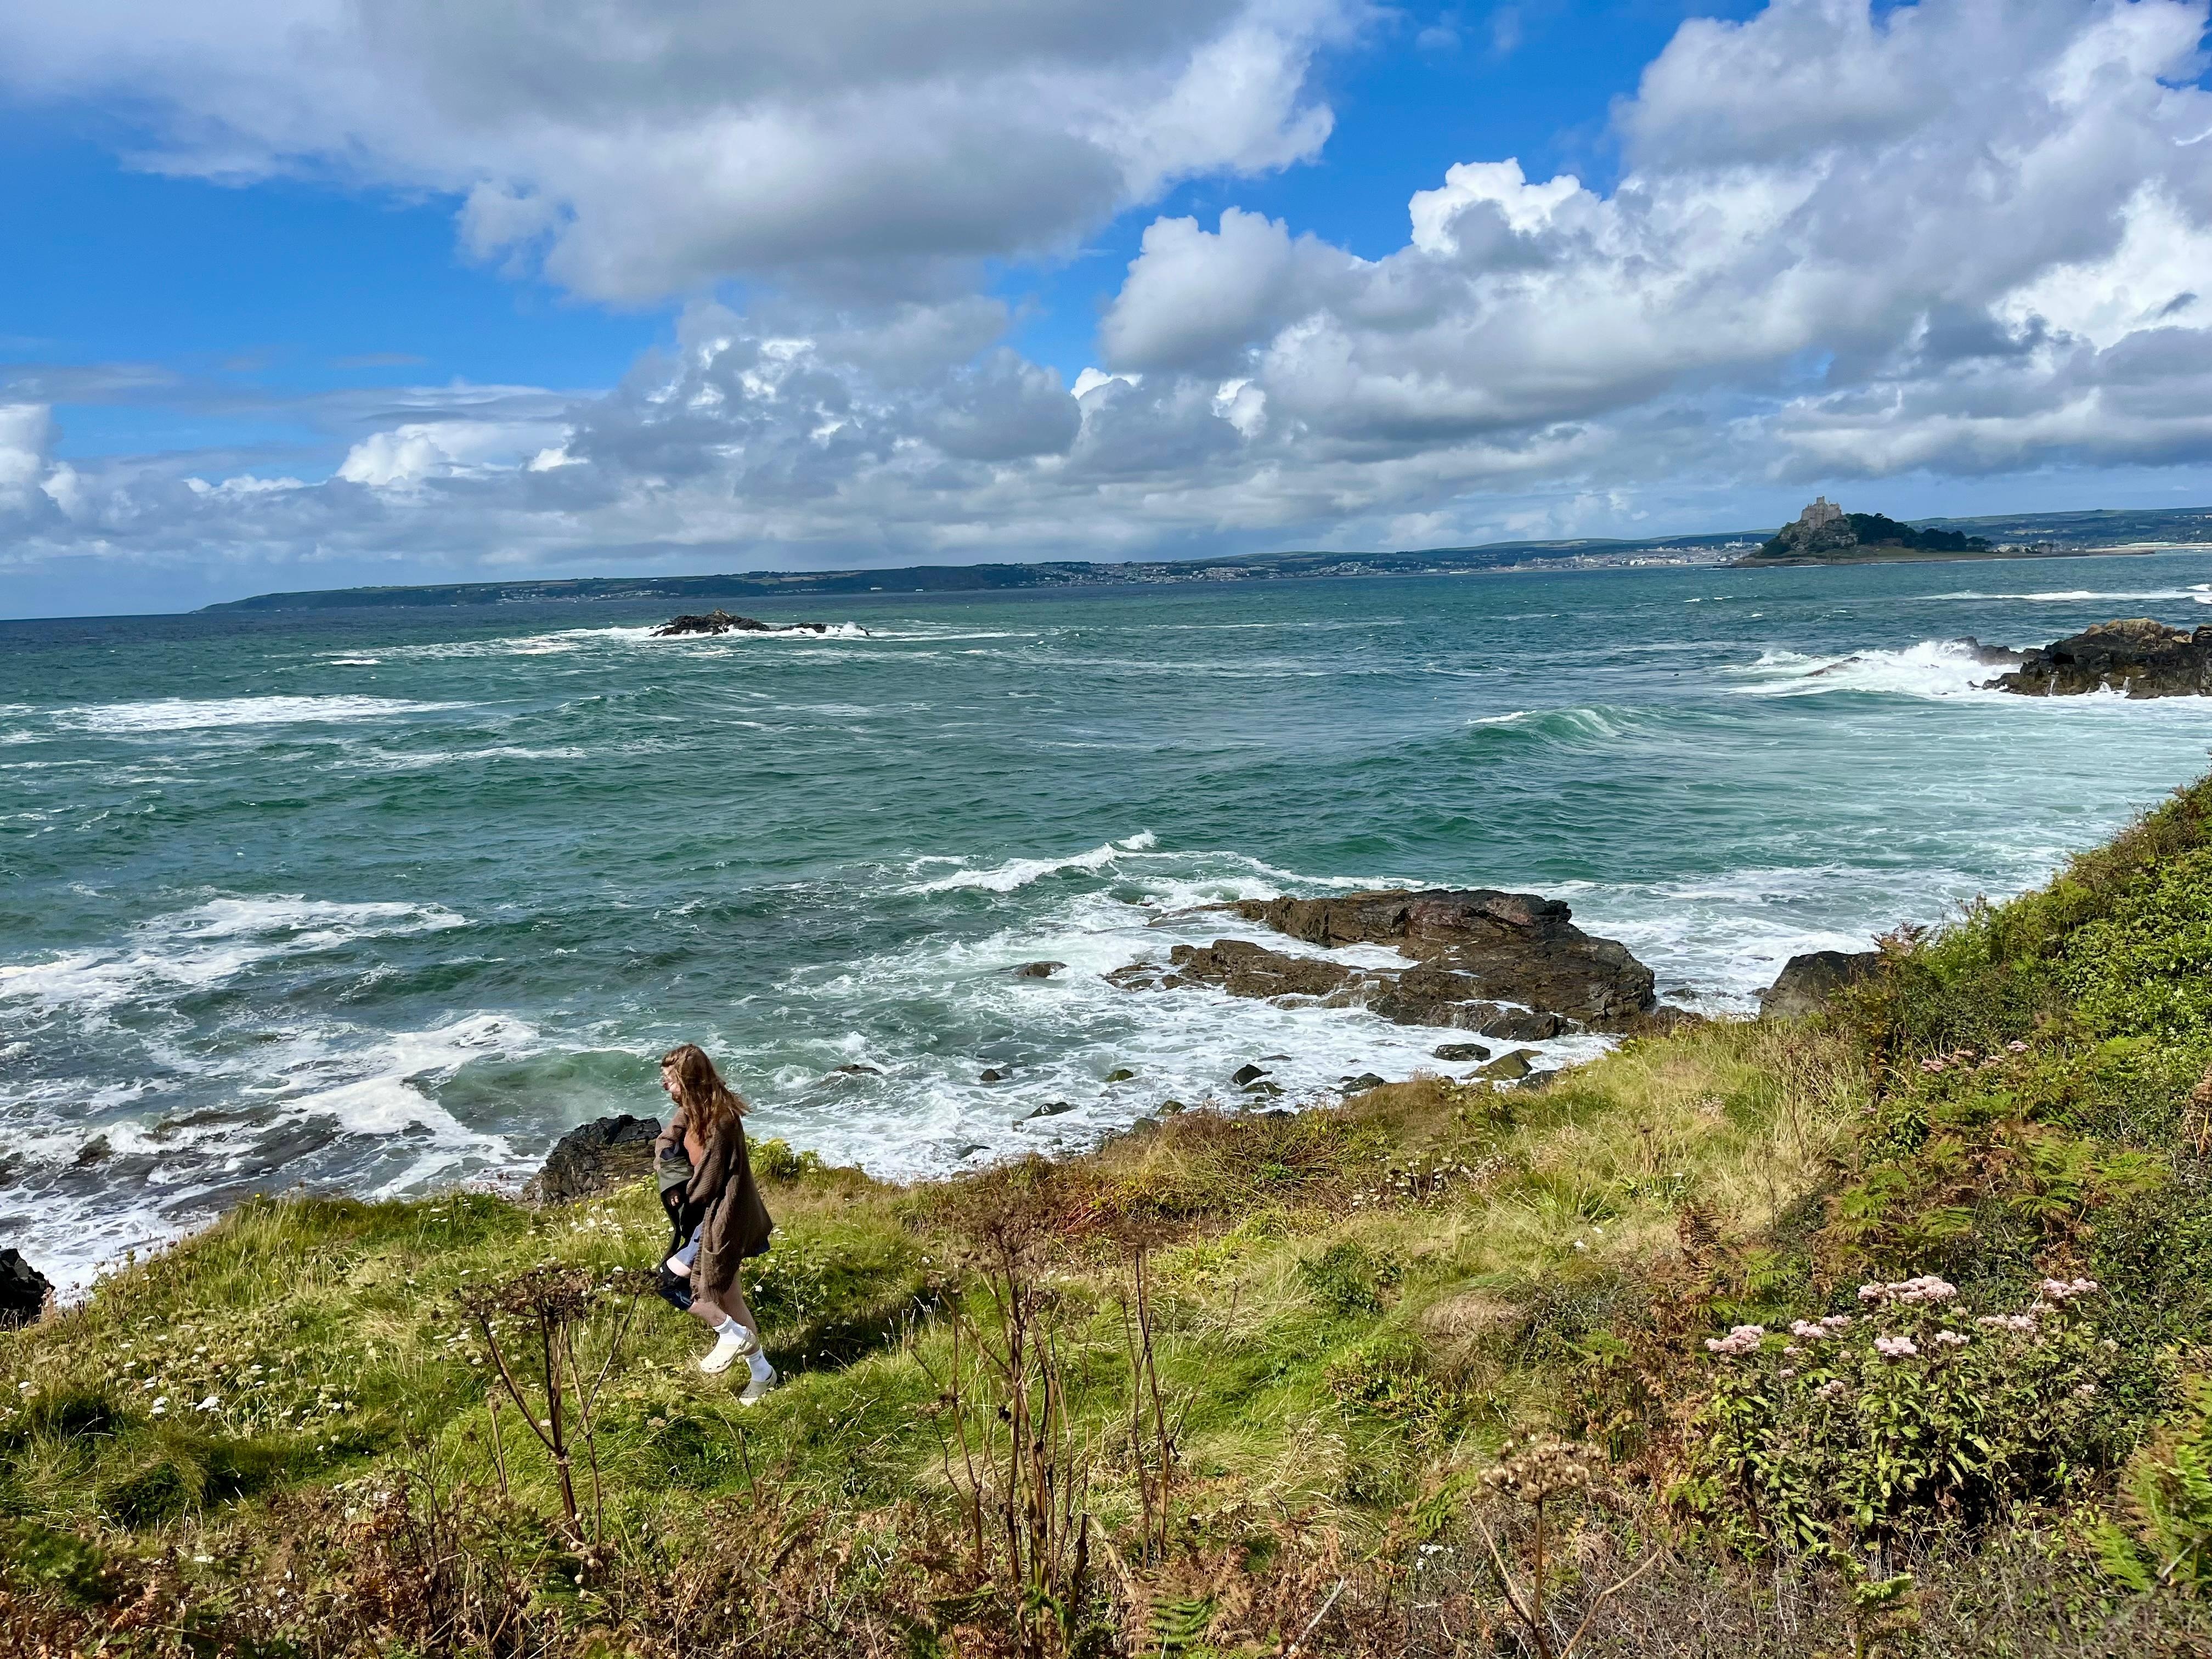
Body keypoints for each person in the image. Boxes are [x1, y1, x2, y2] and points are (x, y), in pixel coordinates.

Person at [651, 1043, 777, 1401]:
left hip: (720, 1222)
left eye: (670, 1080)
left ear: (688, 1081)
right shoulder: (692, 1110)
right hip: (705, 1219)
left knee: (665, 1283)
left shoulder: (721, 1121)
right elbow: (666, 1140)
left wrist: (677, 1190)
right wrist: (672, 1176)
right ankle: (763, 1374)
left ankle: (729, 1333)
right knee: (731, 1299)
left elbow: (706, 1184)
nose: (665, 1087)